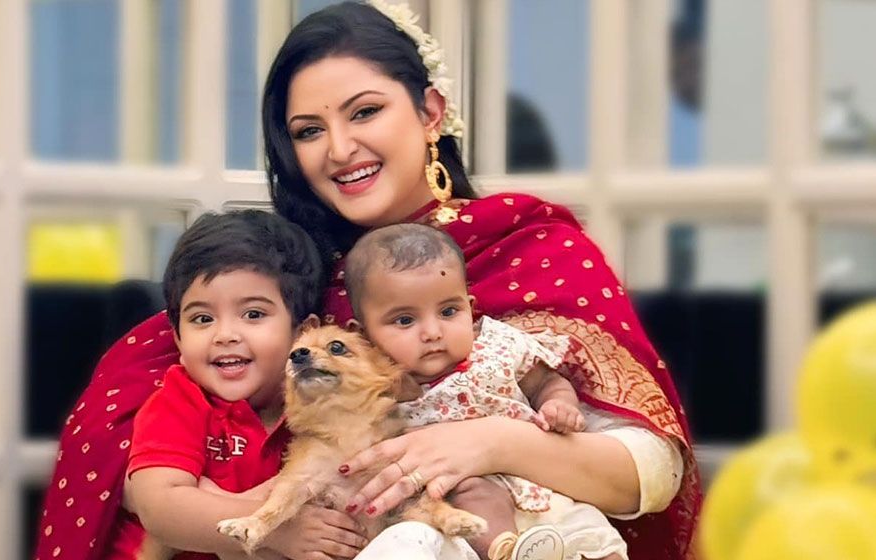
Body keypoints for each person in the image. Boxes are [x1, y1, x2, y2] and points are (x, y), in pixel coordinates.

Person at [34, 2, 701, 559]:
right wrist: (258, 519)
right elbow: (130, 452)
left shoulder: (529, 248)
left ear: (430, 112)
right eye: (308, 131)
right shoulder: (283, 279)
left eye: (363, 112)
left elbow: (651, 471)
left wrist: (487, 442)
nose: (338, 149)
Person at [343, 223, 626, 560]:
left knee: (591, 531)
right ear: (363, 335)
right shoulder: (377, 387)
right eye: (405, 320)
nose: (432, 332)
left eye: (449, 312)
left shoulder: (498, 346)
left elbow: (546, 383)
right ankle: (506, 551)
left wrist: (558, 404)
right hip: (463, 500)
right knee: (472, 494)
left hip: (543, 482)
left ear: (470, 307)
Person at [103, 209, 367, 559]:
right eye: (202, 319)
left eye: (253, 314)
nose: (225, 335)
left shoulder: (327, 403)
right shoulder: (180, 399)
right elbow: (160, 509)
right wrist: (278, 530)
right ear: (178, 340)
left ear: (304, 332)